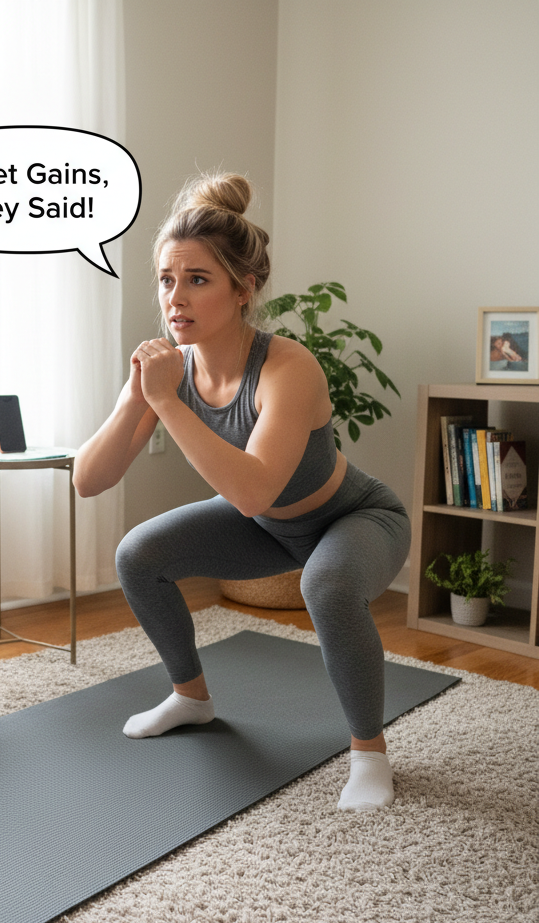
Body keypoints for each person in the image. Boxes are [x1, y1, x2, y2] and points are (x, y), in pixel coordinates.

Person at [73, 172, 411, 811]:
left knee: (327, 585)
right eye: (167, 280)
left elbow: (254, 491)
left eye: (197, 280)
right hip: (271, 528)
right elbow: (88, 479)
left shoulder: (287, 367)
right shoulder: (169, 369)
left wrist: (165, 404)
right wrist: (141, 394)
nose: (176, 298)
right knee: (137, 555)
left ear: (244, 288)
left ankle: (369, 753)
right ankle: (190, 698)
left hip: (356, 517)